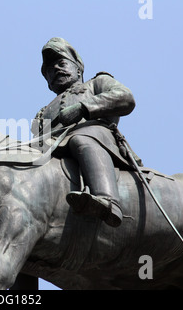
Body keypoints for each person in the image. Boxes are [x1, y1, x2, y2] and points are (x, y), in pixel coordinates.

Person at [34, 37, 138, 227]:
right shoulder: (42, 112)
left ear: (78, 68)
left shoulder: (97, 83)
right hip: (54, 148)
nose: (56, 69)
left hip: (98, 136)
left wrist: (84, 107)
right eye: (50, 70)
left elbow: (126, 98)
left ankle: (108, 201)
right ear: (48, 83)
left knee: (81, 139)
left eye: (61, 63)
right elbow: (36, 144)